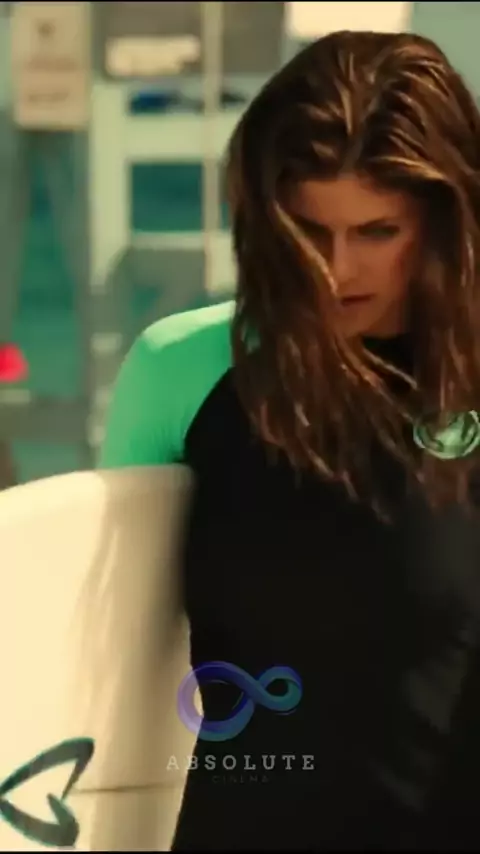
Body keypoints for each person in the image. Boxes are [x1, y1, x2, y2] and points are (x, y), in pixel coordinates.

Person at [99, 30, 480, 851]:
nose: (337, 268)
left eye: (377, 231)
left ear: (444, 222)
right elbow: (104, 669)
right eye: (309, 230)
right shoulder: (183, 371)